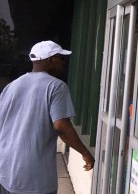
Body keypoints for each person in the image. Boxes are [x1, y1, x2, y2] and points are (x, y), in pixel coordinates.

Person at [0, 41, 95, 194]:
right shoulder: (56, 86)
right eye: (61, 58)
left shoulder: (12, 86)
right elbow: (61, 127)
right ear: (50, 59)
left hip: (5, 171)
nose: (63, 63)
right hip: (33, 178)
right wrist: (85, 153)